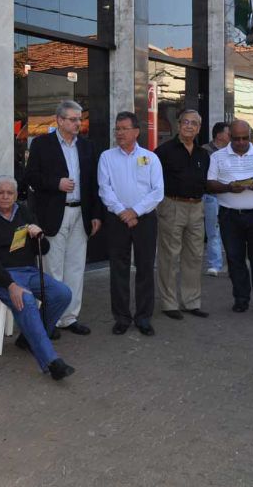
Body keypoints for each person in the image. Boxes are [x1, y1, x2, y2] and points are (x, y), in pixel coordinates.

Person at [0, 176, 75, 380]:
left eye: (9, 193)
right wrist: (10, 285)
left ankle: (29, 339)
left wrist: (39, 236)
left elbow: (43, 250)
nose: (5, 196)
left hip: (28, 271)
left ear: (15, 195)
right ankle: (51, 362)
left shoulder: (24, 212)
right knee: (25, 300)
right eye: (0, 193)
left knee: (62, 294)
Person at [23, 100, 101, 337]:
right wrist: (56, 183)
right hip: (54, 214)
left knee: (75, 268)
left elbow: (93, 183)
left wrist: (96, 214)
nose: (78, 123)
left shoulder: (87, 146)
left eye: (80, 119)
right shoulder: (42, 144)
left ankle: (69, 318)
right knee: (52, 269)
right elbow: (30, 176)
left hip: (80, 213)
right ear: (59, 120)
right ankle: (50, 319)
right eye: (73, 119)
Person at [98, 111, 164, 336]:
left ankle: (143, 317)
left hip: (144, 219)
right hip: (118, 219)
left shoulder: (150, 157)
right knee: (119, 268)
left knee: (145, 267)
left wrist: (134, 211)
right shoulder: (107, 157)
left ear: (136, 131)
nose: (120, 133)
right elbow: (104, 189)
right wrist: (122, 212)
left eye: (124, 129)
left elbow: (157, 191)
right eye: (117, 129)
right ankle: (122, 317)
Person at [206, 120, 253, 316]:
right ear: (229, 137)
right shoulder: (217, 157)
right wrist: (228, 187)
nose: (240, 142)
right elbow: (210, 184)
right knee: (234, 259)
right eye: (236, 138)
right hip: (229, 216)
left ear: (250, 137)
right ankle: (241, 299)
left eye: (244, 138)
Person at [154, 109, 210, 320]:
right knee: (169, 256)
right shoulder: (163, 151)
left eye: (194, 123)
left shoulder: (203, 154)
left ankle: (191, 302)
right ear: (178, 125)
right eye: (185, 122)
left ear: (199, 128)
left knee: (195, 256)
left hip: (197, 207)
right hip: (172, 205)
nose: (189, 126)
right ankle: (169, 303)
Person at [202, 122, 229, 276]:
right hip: (211, 196)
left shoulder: (232, 151)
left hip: (229, 195)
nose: (231, 136)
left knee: (230, 230)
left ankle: (233, 262)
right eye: (228, 133)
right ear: (219, 135)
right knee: (213, 231)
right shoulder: (205, 151)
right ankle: (215, 264)